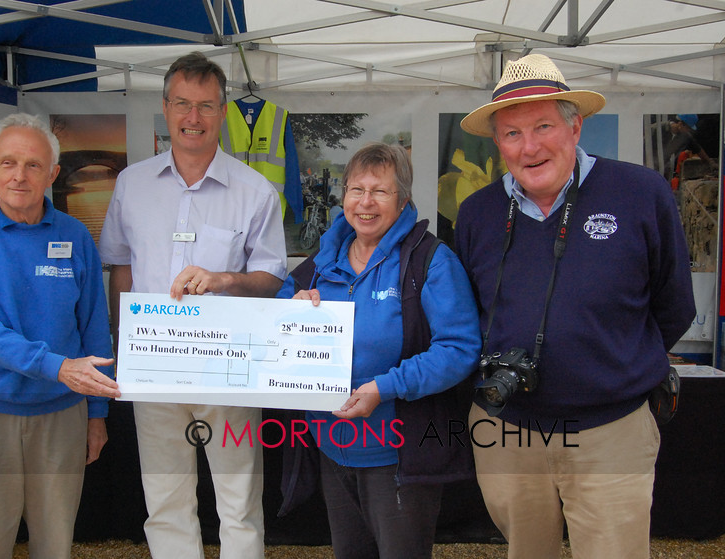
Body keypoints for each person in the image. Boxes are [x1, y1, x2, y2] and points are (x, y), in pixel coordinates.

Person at [455, 54, 695, 559]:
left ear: (575, 125)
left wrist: (610, 367)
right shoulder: (476, 213)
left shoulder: (642, 193)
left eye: (543, 126)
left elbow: (674, 305)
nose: (530, 146)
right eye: (512, 134)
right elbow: (464, 316)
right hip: (506, 429)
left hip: (612, 430)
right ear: (498, 143)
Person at [99, 52, 286, 559]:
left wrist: (225, 278)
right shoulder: (131, 185)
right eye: (182, 104)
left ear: (223, 112)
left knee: (239, 502)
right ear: (165, 107)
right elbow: (121, 268)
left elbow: (272, 278)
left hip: (228, 368)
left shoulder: (255, 192)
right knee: (165, 502)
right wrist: (123, 346)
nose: (193, 118)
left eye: (205, 106)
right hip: (154, 369)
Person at [278, 142, 481, 559]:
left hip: (397, 451)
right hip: (331, 443)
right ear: (343, 197)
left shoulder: (430, 260)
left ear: (403, 199)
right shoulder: (322, 260)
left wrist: (385, 387)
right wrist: (291, 312)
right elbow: (275, 316)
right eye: (356, 189)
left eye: (380, 191)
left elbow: (459, 348)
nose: (365, 202)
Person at [0, 113, 120, 559]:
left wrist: (97, 414)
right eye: (8, 163)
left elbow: (94, 325)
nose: (19, 176)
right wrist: (57, 367)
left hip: (60, 418)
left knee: (54, 545)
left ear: (53, 174)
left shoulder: (75, 236)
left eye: (34, 165)